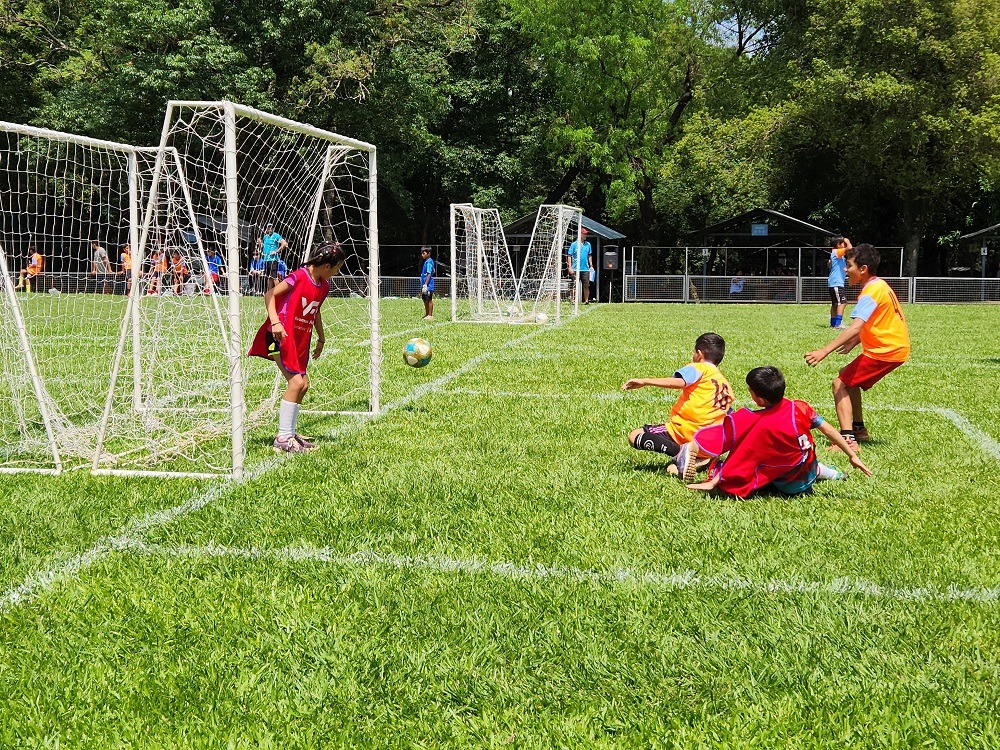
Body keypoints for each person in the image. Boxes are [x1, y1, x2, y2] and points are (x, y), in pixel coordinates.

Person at [681, 366, 871, 495]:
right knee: (801, 454)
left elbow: (743, 456)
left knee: (748, 464)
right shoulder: (800, 408)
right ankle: (830, 473)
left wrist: (718, 479)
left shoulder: (755, 422)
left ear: (760, 400)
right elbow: (828, 430)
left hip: (786, 486)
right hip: (807, 471)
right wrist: (851, 455)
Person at [805, 243, 910, 451]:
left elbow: (855, 327)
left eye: (849, 265)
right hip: (893, 348)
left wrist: (824, 351)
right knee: (847, 378)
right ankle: (858, 430)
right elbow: (878, 321)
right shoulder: (880, 285)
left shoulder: (870, 292)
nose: (845, 270)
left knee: (839, 383)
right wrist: (857, 340)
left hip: (886, 351)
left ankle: (848, 440)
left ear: (863, 269)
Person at [247, 243, 347, 454]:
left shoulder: (324, 286)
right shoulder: (299, 276)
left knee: (303, 384)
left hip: (299, 340)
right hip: (278, 336)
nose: (337, 272)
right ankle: (283, 438)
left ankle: (290, 434)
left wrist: (321, 337)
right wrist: (275, 322)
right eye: (337, 268)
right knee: (296, 382)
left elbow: (315, 311)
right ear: (327, 265)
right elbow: (270, 295)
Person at [622, 332, 735, 471]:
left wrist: (645, 381)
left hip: (686, 432)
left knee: (635, 436)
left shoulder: (699, 368)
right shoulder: (726, 385)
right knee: (673, 469)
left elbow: (680, 382)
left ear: (699, 354)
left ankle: (679, 453)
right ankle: (701, 458)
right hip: (712, 443)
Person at [828, 236, 851, 328]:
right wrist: (847, 240)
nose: (844, 245)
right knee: (842, 302)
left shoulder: (835, 253)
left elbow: (829, 263)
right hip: (837, 282)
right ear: (838, 245)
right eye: (843, 244)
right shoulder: (837, 252)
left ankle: (833, 323)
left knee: (835, 304)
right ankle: (838, 323)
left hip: (833, 282)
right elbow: (850, 249)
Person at [257, 221, 288, 291]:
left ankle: (278, 291)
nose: (270, 229)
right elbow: (264, 247)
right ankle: (270, 292)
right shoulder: (265, 237)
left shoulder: (276, 236)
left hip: (273, 259)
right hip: (266, 259)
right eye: (268, 228)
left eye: (271, 228)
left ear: (273, 229)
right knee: (269, 277)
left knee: (274, 277)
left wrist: (277, 251)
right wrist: (260, 243)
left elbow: (284, 243)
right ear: (267, 229)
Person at [566, 228, 594, 305]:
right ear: (580, 234)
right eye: (584, 234)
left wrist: (591, 265)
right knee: (573, 285)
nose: (586, 235)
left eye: (586, 234)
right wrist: (570, 267)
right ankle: (572, 300)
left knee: (586, 285)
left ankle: (586, 301)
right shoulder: (573, 244)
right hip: (575, 269)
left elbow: (589, 255)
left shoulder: (588, 244)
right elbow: (569, 256)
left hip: (585, 269)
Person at [419, 246, 434, 320]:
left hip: (428, 285)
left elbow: (429, 273)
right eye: (422, 253)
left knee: (429, 299)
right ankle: (427, 314)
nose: (422, 255)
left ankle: (430, 315)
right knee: (425, 299)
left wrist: (426, 284)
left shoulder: (429, 262)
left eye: (424, 253)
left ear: (428, 253)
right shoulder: (426, 262)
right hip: (425, 284)